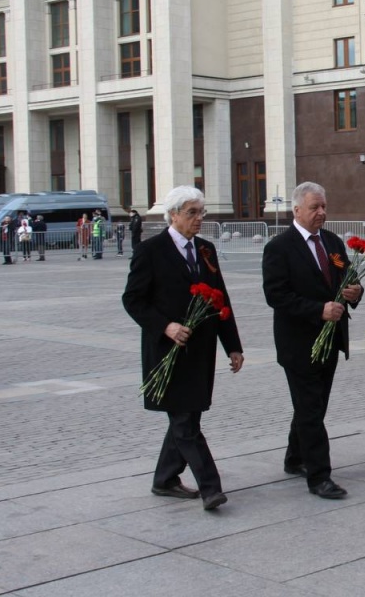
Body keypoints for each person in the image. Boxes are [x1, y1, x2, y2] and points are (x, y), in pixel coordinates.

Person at [121, 186, 244, 511]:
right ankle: (211, 488)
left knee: (188, 417)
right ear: (173, 214)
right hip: (167, 351)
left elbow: (221, 299)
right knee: (184, 422)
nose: (199, 218)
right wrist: (166, 325)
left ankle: (165, 479)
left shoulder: (206, 250)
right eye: (192, 212)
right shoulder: (150, 251)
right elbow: (133, 300)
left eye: (201, 212)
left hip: (199, 351)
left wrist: (232, 346)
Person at [262, 181, 362, 500]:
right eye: (314, 207)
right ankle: (320, 476)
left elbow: (348, 276)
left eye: (324, 207)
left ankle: (295, 458)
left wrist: (355, 291)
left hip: (331, 340)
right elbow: (276, 295)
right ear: (296, 210)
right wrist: (318, 310)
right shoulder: (279, 247)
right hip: (298, 343)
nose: (321, 212)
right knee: (309, 409)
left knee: (314, 406)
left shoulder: (332, 242)